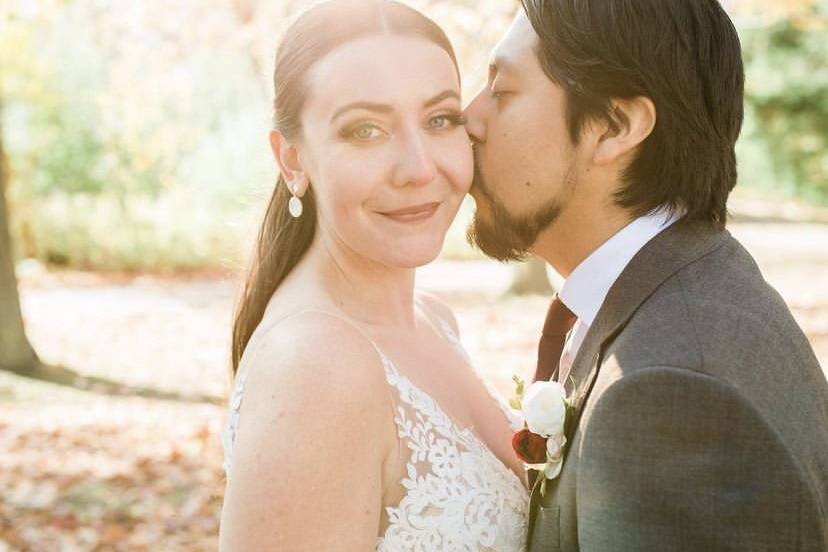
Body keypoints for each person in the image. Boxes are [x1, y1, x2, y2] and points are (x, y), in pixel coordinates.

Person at [464, 0, 828, 550]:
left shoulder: (669, 393)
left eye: (503, 92)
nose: (469, 118)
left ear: (615, 127)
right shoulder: (696, 287)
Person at [218, 1, 528, 550]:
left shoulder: (433, 319)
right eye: (365, 130)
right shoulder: (316, 362)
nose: (418, 169)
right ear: (292, 160)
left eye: (440, 119)